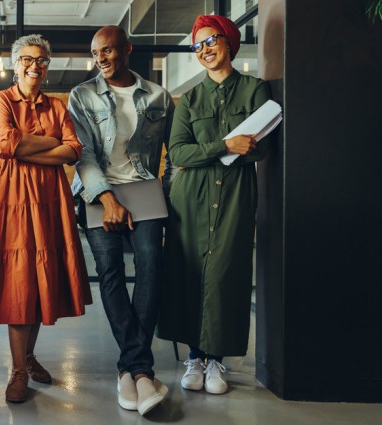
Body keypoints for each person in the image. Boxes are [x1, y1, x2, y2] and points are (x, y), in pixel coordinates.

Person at [157, 14, 273, 395]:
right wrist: (225, 145)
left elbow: (262, 147)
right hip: (191, 198)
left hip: (235, 193)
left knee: (227, 273)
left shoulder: (255, 90)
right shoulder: (189, 100)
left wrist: (208, 151)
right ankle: (195, 357)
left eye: (211, 41)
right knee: (190, 272)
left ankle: (217, 360)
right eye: (198, 45)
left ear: (229, 42)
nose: (204, 49)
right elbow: (178, 152)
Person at [68, 25, 173, 415]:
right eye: (96, 53)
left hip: (145, 191)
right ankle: (141, 370)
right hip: (100, 192)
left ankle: (131, 369)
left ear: (127, 49)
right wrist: (107, 198)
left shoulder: (159, 96)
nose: (101, 59)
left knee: (152, 264)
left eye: (108, 51)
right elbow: (83, 154)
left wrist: (167, 195)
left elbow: (171, 153)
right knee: (110, 269)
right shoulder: (82, 95)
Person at [0, 33, 93, 403]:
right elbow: (7, 142)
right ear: (15, 65)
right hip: (13, 196)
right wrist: (49, 145)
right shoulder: (1, 99)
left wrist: (25, 147)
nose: (35, 66)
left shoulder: (57, 105)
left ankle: (28, 358)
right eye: (27, 59)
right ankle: (17, 370)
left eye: (41, 60)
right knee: (19, 279)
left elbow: (74, 151)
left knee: (40, 276)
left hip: (49, 198)